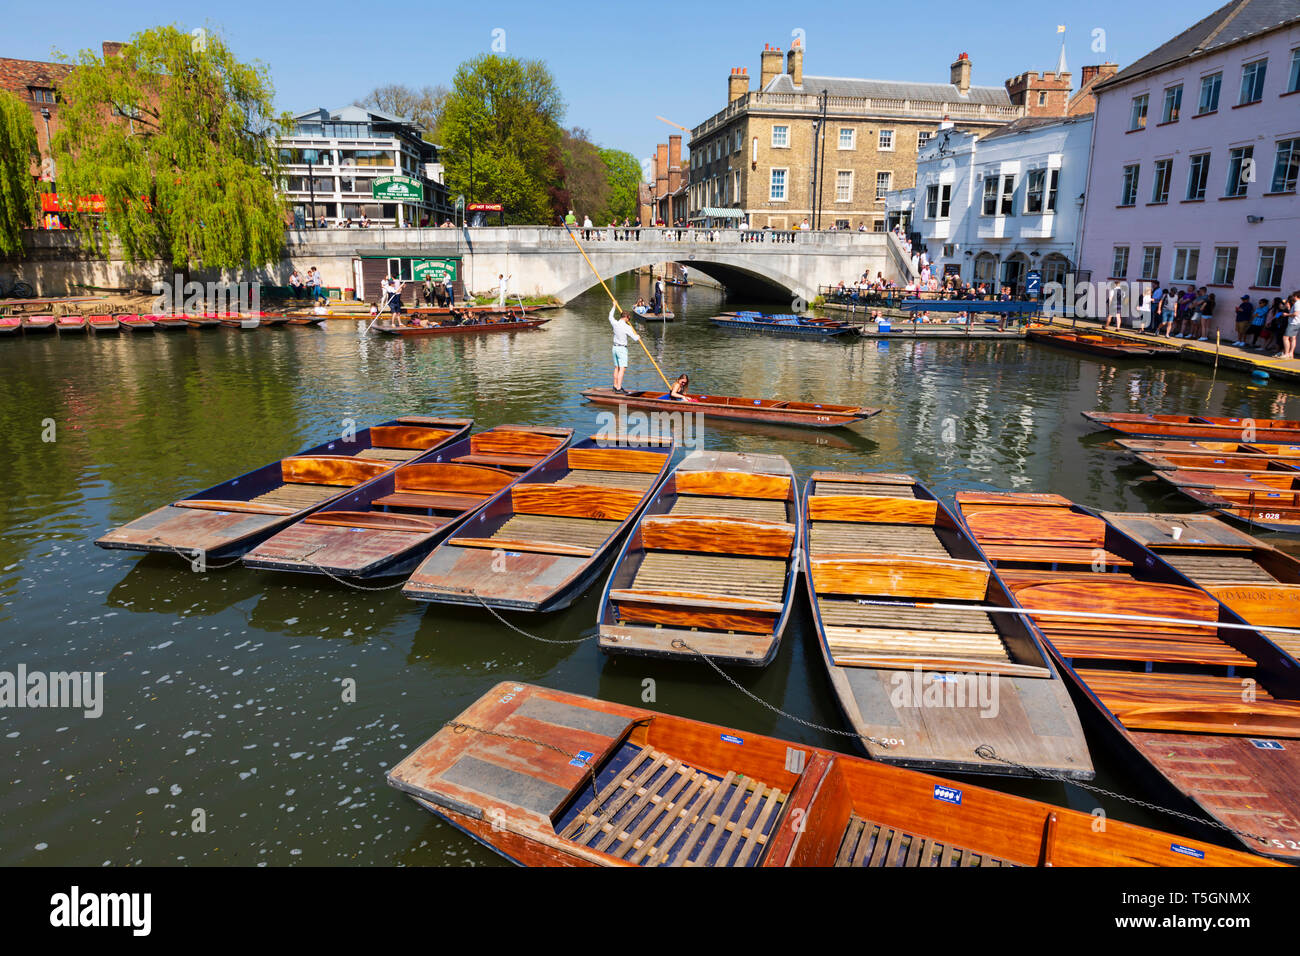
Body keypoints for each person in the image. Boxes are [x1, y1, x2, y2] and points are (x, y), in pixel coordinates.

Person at [608, 306, 640, 393]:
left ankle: (615, 386)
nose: (629, 319)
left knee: (616, 368)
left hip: (614, 348)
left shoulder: (615, 323)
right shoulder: (627, 327)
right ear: (626, 317)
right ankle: (618, 388)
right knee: (622, 369)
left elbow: (610, 316)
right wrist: (638, 336)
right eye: (629, 317)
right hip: (622, 349)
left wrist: (614, 306)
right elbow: (635, 338)